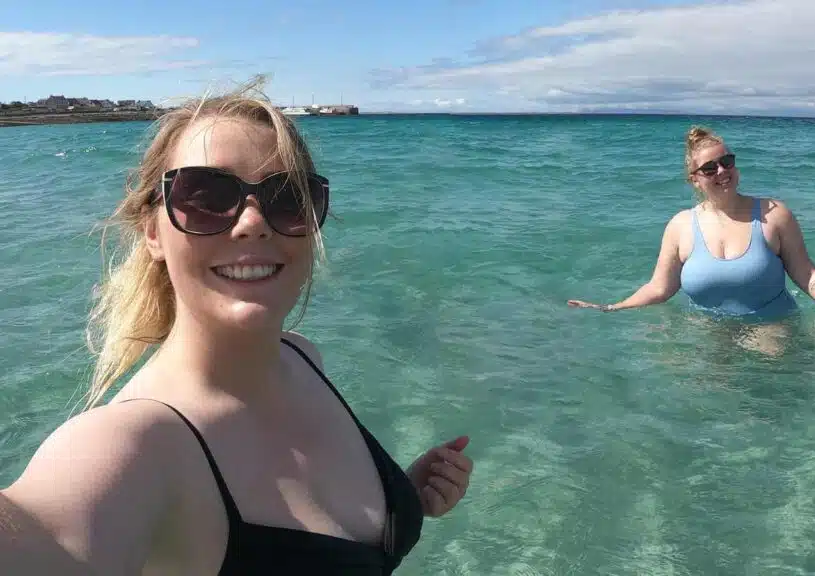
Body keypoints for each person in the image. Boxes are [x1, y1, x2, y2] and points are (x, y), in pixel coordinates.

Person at [0, 78, 473, 575]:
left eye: (287, 196)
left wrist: (402, 501)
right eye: (205, 194)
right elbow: (44, 534)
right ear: (152, 232)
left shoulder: (302, 356)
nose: (252, 222)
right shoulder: (136, 444)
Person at [568, 125, 815, 322]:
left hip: (772, 329)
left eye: (727, 162)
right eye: (710, 168)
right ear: (695, 180)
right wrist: (611, 308)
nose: (722, 171)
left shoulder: (773, 214)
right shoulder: (681, 226)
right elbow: (660, 287)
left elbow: (808, 275)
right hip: (706, 332)